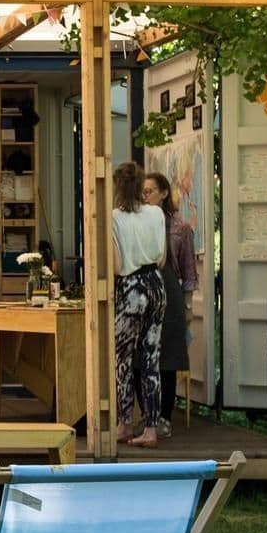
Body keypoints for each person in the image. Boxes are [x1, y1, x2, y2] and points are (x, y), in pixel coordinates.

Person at [113, 161, 168, 448]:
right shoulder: (156, 213)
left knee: (123, 358)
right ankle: (151, 428)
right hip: (156, 284)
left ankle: (124, 423)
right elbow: (162, 258)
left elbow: (117, 264)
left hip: (131, 287)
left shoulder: (115, 218)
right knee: (151, 359)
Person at [144, 171, 199, 438]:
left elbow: (189, 273)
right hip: (143, 295)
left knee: (168, 358)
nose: (146, 196)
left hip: (171, 296)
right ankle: (147, 415)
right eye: (142, 192)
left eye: (150, 191)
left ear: (164, 193)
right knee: (139, 357)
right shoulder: (139, 224)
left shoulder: (180, 228)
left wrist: (189, 308)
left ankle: (164, 416)